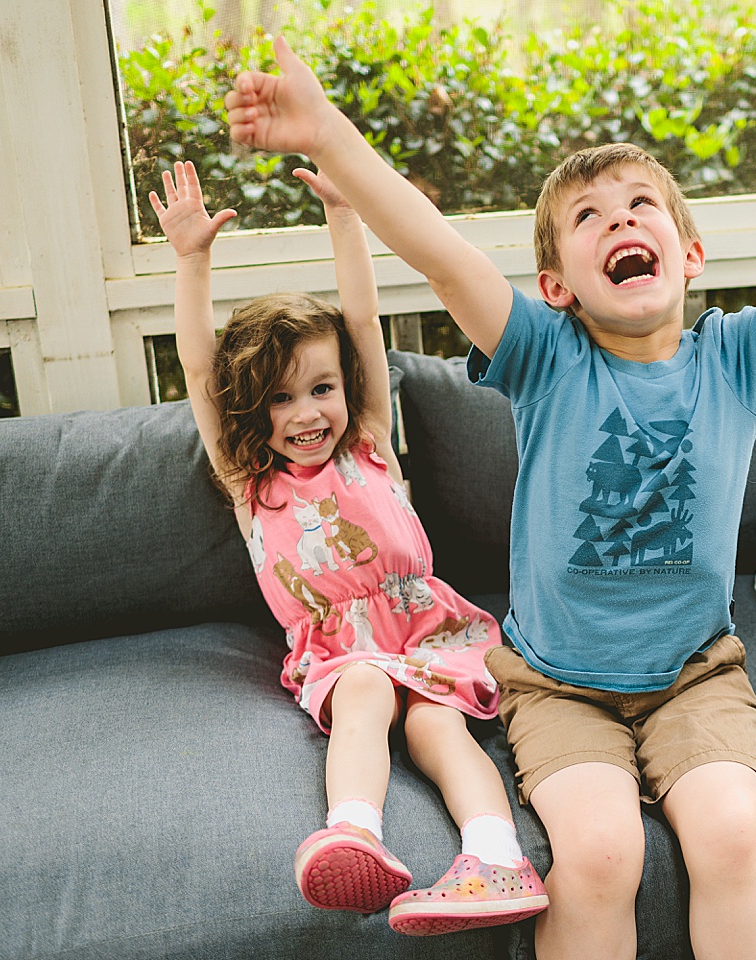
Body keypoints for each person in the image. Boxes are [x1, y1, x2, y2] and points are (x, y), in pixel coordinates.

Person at [224, 36, 756, 960]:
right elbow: (437, 253)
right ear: (556, 287)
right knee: (597, 855)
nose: (620, 220)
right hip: (558, 689)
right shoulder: (545, 357)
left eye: (640, 206)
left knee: (732, 836)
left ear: (690, 252)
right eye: (588, 216)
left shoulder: (743, 356)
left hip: (695, 677)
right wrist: (327, 134)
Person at [147, 158, 548, 937]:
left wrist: (345, 213)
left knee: (438, 726)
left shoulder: (368, 443)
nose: (306, 412)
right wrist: (190, 261)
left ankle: (496, 858)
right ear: (249, 413)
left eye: (321, 388)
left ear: (348, 390)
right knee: (364, 689)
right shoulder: (249, 480)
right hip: (340, 649)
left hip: (427, 631)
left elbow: (363, 325)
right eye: (280, 397)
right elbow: (198, 365)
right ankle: (356, 834)